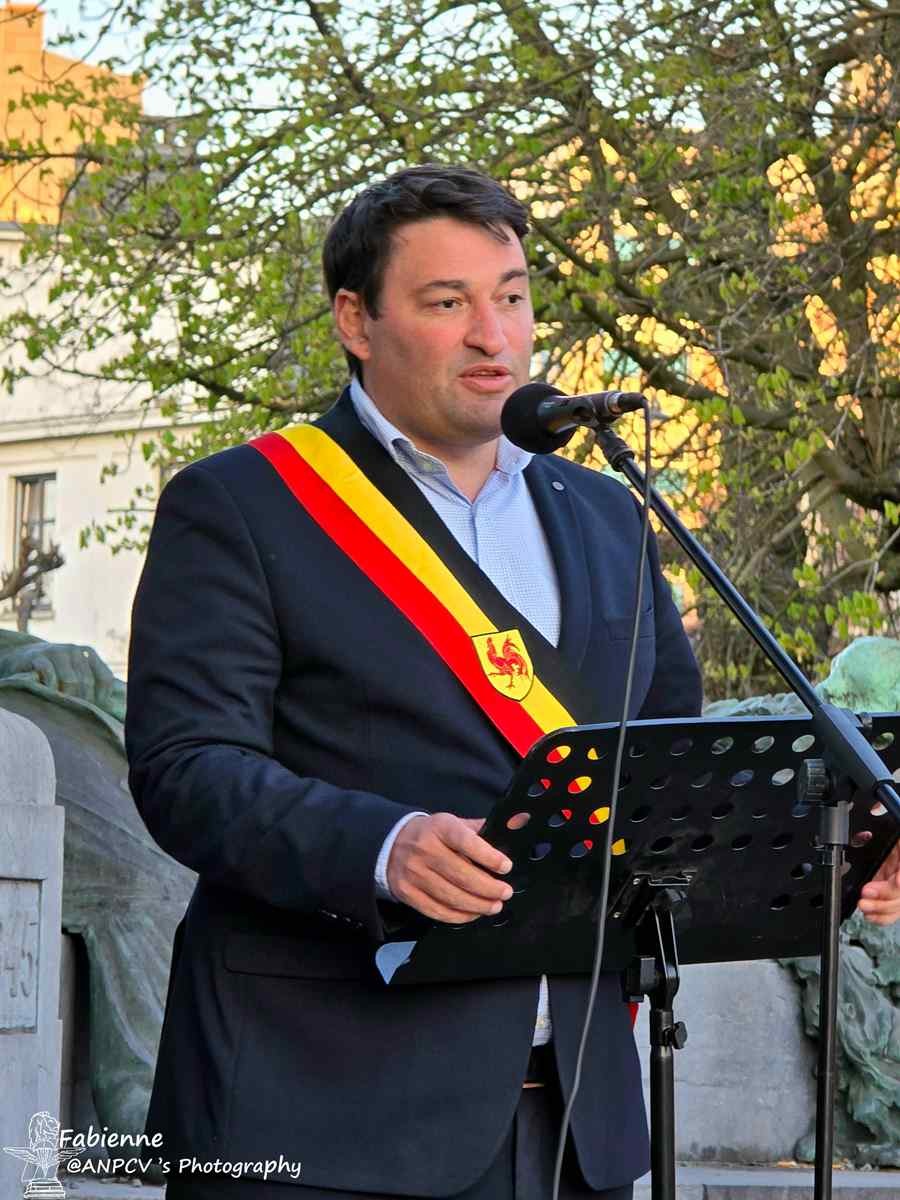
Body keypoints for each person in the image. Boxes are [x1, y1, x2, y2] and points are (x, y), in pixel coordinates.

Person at [124, 164, 899, 1200]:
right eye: (448, 303)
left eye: (514, 296)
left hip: (576, 1113)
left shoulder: (610, 512)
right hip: (318, 1100)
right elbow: (186, 770)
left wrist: (834, 852)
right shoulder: (245, 503)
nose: (496, 336)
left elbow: (664, 774)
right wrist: (383, 847)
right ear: (356, 320)